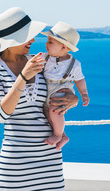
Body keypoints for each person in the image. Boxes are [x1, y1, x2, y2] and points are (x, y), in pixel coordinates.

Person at [0, 7, 78, 190]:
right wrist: (23, 77)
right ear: (11, 39)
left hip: (50, 159)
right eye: (27, 36)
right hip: (16, 164)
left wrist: (73, 99)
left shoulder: (40, 61)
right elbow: (1, 114)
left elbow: (60, 89)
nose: (33, 40)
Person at [41, 21, 89, 150]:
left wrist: (84, 94)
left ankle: (57, 135)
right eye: (47, 41)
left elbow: (79, 80)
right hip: (48, 89)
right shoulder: (45, 57)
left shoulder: (74, 64)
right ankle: (63, 136)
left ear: (64, 47)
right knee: (48, 114)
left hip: (61, 88)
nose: (46, 44)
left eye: (50, 42)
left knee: (55, 111)